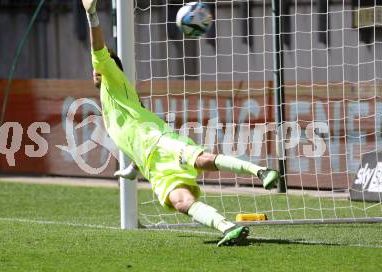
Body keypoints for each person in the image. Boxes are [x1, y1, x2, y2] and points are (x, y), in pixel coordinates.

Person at [82, 0, 279, 246]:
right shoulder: (116, 100)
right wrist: (133, 168)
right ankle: (228, 228)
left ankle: (260, 171)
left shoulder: (111, 77)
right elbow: (134, 135)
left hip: (162, 141)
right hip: (154, 167)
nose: (94, 70)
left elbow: (98, 48)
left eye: (99, 64)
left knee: (202, 160)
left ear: (111, 66)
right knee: (181, 202)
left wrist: (92, 16)